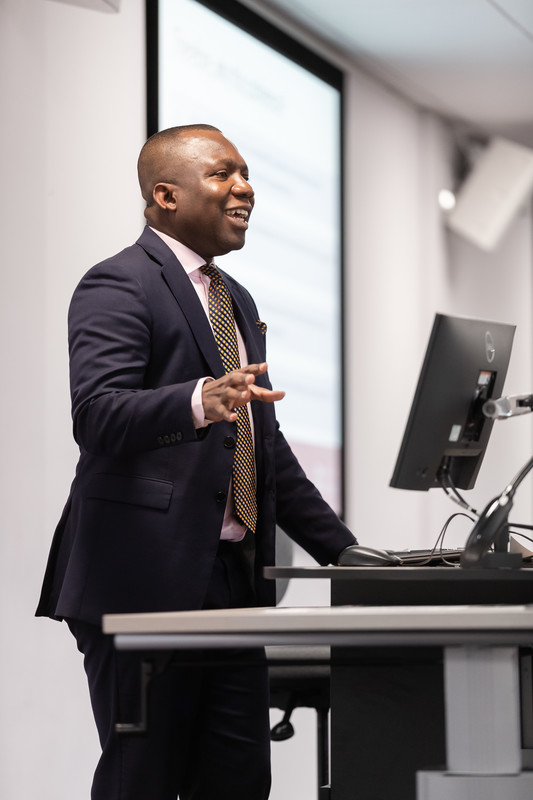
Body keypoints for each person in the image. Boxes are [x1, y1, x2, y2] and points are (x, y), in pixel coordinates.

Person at [36, 123, 357, 800]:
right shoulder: (118, 282)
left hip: (230, 586)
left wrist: (350, 559)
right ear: (165, 195)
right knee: (143, 783)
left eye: (244, 173)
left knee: (239, 783)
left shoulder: (234, 297)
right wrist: (196, 400)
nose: (244, 188)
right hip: (141, 585)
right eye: (222, 174)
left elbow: (263, 449)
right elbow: (96, 415)